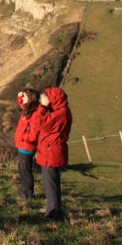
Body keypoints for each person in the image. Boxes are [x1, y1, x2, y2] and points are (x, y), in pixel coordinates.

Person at [33, 87, 72, 221]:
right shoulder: (60, 112)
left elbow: (39, 123)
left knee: (51, 184)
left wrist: (43, 107)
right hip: (51, 151)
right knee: (50, 183)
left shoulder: (61, 114)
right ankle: (52, 210)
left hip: (51, 153)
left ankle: (54, 214)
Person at [14, 88, 40, 200]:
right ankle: (24, 192)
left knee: (25, 170)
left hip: (27, 147)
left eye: (25, 97)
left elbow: (33, 135)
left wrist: (23, 137)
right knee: (22, 169)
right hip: (22, 146)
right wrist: (20, 96)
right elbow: (21, 104)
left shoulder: (34, 115)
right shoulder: (28, 110)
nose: (22, 99)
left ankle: (28, 195)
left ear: (30, 99)